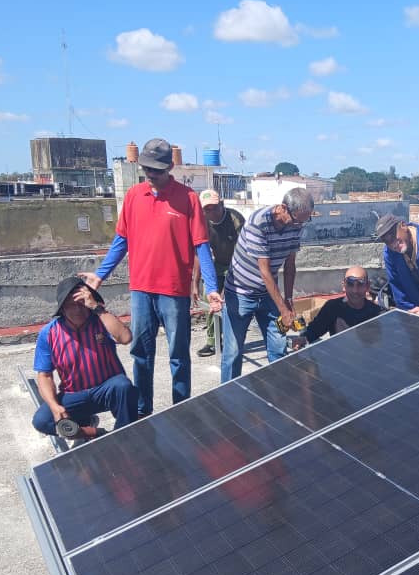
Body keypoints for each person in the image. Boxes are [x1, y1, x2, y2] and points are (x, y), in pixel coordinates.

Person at [79, 138, 221, 418]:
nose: (151, 174)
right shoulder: (133, 196)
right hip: (141, 290)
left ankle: (181, 409)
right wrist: (99, 276)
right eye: (146, 169)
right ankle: (143, 413)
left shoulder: (188, 199)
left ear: (170, 166)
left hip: (173, 292)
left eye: (156, 169)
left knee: (178, 357)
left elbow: (201, 246)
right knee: (141, 355)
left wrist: (212, 287)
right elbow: (122, 240)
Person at [220, 187, 315, 382]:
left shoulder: (297, 223)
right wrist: (283, 309)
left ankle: (280, 398)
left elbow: (290, 265)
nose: (300, 225)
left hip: (268, 296)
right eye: (297, 220)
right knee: (233, 352)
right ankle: (228, 403)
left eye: (305, 221)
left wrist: (288, 300)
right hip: (239, 294)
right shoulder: (258, 223)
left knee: (279, 347)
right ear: (282, 208)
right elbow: (264, 271)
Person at [32, 276, 138, 441]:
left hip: (106, 389)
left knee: (123, 386)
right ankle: (94, 432)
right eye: (71, 305)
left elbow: (125, 338)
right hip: (74, 394)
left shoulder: (101, 321)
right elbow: (44, 376)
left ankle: (124, 436)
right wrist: (55, 407)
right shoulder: (49, 333)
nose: (78, 310)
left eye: (82, 303)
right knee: (42, 421)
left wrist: (96, 307)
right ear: (62, 309)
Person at [191, 189, 245, 357]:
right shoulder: (201, 223)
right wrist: (195, 283)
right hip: (217, 265)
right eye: (206, 209)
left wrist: (225, 288)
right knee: (212, 302)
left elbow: (241, 255)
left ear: (221, 204)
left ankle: (234, 340)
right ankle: (213, 341)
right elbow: (200, 254)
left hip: (238, 266)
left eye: (214, 208)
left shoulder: (236, 220)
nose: (211, 212)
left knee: (231, 303)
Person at [296, 266, 383, 347]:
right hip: (340, 358)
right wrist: (302, 340)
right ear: (344, 286)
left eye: (360, 284)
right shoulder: (332, 308)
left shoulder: (378, 313)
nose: (355, 290)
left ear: (367, 286)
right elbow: (313, 331)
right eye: (350, 284)